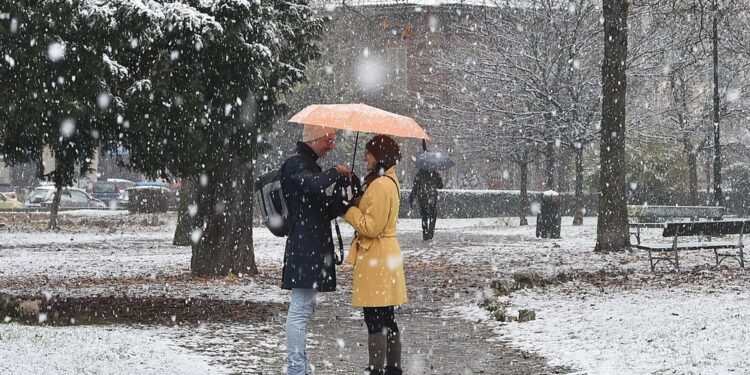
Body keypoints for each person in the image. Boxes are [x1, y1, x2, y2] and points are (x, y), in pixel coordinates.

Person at [280, 124, 351, 375]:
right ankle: (296, 370)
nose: (332, 145)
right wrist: (335, 172)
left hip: (312, 247)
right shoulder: (296, 165)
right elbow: (311, 185)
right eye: (329, 140)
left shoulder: (311, 167)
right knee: (300, 309)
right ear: (314, 139)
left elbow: (326, 211)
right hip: (304, 247)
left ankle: (299, 368)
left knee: (304, 308)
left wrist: (343, 192)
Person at [344, 135, 407, 375]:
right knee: (387, 316)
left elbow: (372, 227)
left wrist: (349, 211)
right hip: (385, 256)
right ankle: (392, 368)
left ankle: (377, 369)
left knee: (374, 318)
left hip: (376, 257)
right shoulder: (387, 181)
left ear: (379, 155)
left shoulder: (381, 184)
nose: (365, 157)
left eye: (369, 153)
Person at [408, 168, 443, 240]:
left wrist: (411, 197)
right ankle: (431, 229)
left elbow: (415, 187)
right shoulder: (435, 173)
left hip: (422, 198)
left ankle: (425, 233)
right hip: (432, 198)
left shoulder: (419, 174)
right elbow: (441, 186)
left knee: (424, 216)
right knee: (433, 214)